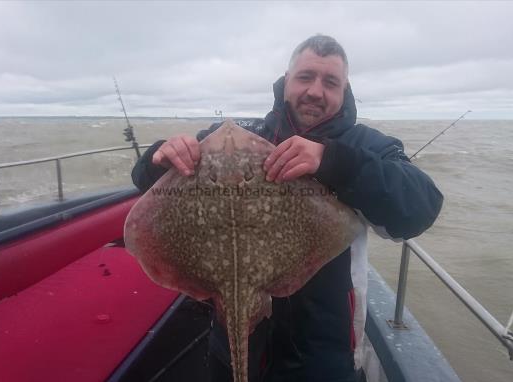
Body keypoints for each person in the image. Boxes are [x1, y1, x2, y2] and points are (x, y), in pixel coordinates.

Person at [131, 35, 443, 382]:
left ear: (345, 90)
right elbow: (146, 182)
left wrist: (334, 161)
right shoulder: (242, 135)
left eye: (330, 82)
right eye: (305, 77)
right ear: (286, 81)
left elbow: (421, 206)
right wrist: (160, 157)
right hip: (230, 336)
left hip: (318, 359)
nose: (315, 90)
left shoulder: (364, 145)